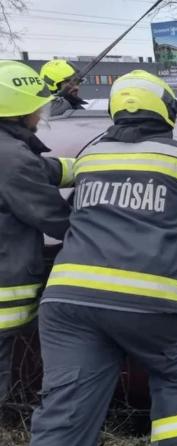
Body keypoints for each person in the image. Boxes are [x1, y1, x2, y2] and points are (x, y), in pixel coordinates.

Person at [30, 70, 177, 446]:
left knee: (67, 406)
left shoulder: (90, 157)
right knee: (176, 372)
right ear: (167, 111)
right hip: (145, 301)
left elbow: (64, 185)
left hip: (67, 300)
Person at [0, 61, 73, 407]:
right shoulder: (12, 157)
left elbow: (43, 168)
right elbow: (54, 217)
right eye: (37, 107)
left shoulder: (10, 150)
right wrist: (101, 233)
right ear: (20, 111)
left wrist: (89, 166)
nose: (41, 114)